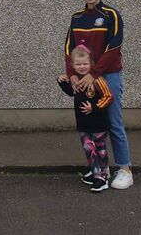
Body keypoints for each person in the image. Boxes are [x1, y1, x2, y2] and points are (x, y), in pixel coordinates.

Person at [65, 0, 133, 189]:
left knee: (113, 121)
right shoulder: (76, 17)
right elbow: (69, 49)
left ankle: (125, 169)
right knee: (90, 122)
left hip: (108, 74)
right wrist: (72, 74)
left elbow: (114, 48)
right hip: (83, 77)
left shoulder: (111, 14)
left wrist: (93, 74)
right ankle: (99, 169)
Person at [58, 45, 114, 192]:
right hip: (83, 124)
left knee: (100, 149)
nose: (82, 67)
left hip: (98, 124)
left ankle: (102, 178)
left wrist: (93, 107)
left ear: (91, 64)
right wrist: (62, 81)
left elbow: (108, 97)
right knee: (89, 149)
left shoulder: (97, 80)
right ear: (73, 65)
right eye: (78, 64)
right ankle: (97, 173)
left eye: (85, 64)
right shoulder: (76, 80)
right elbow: (71, 92)